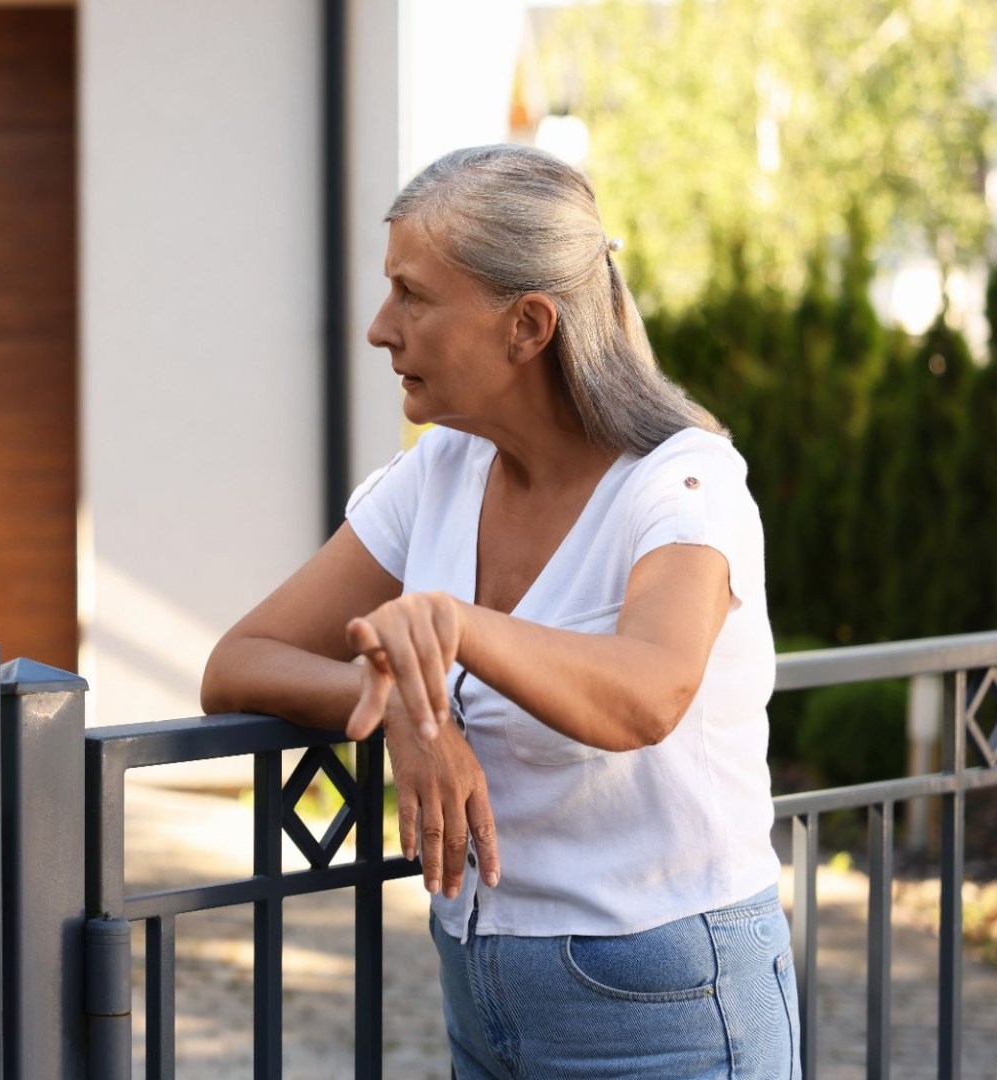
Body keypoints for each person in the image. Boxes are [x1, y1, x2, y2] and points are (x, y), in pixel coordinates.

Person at [201, 145, 798, 1079]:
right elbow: (240, 662)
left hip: (666, 1000)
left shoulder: (682, 485)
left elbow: (646, 695)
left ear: (527, 326)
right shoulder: (440, 473)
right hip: (481, 987)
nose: (378, 328)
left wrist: (452, 627)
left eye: (413, 295)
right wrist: (403, 701)